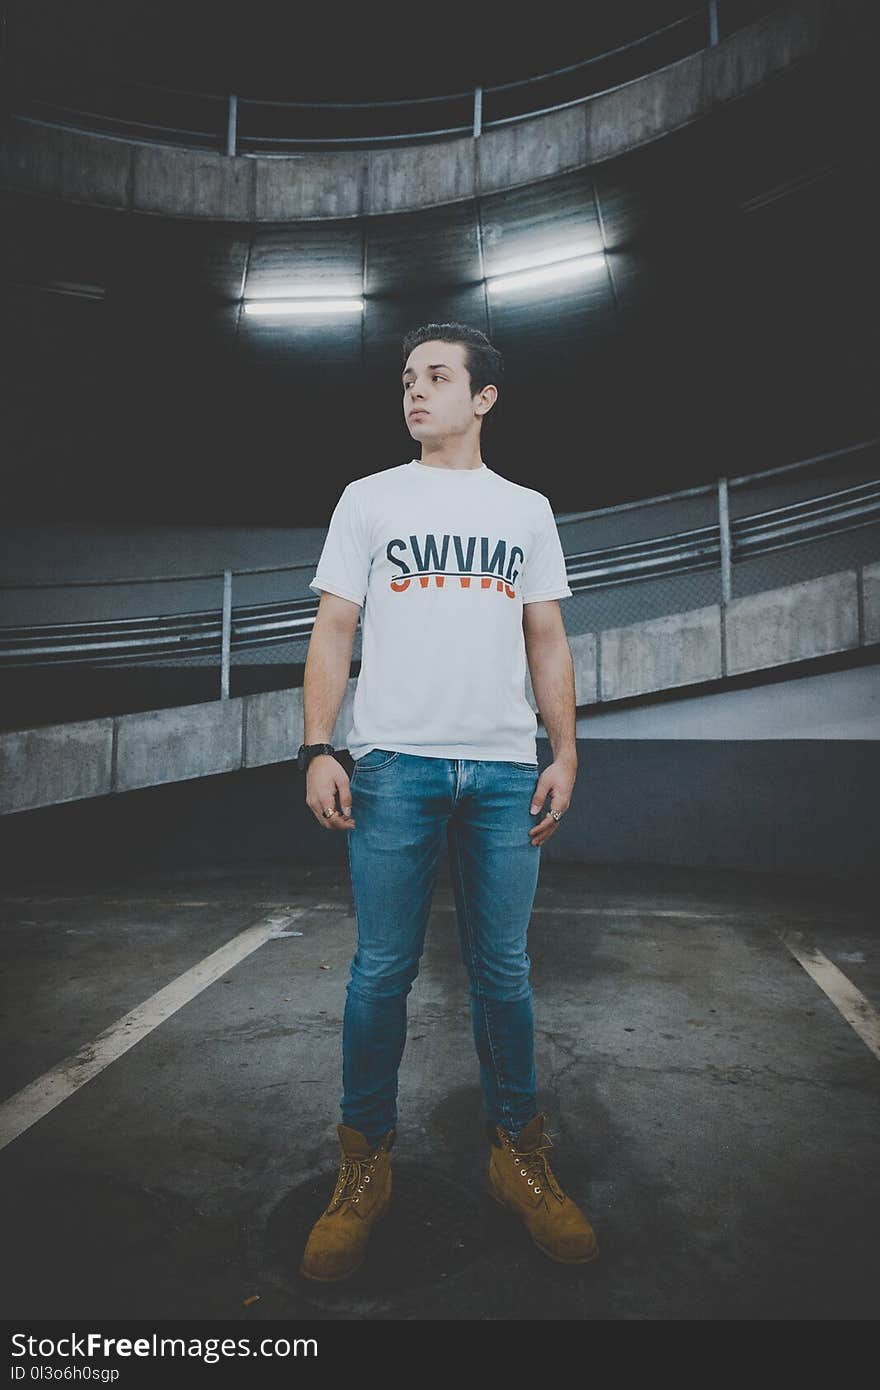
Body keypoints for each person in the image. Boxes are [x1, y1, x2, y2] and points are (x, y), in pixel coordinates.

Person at [296, 321, 599, 1283]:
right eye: (406, 378)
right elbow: (334, 626)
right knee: (380, 973)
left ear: (485, 398)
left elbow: (545, 638)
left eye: (436, 377)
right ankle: (363, 1165)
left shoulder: (528, 509)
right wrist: (318, 745)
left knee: (503, 974)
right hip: (394, 768)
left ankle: (518, 1156)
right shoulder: (368, 499)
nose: (414, 392)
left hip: (506, 771)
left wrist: (565, 750)